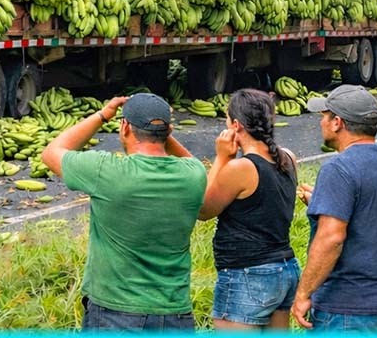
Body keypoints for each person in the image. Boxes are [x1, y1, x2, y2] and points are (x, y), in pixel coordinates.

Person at [41, 93, 207, 331]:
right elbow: (191, 162)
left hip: (115, 313)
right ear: (169, 131)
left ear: (125, 127)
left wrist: (102, 115)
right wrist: (163, 132)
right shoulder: (193, 174)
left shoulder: (106, 171)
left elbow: (53, 151)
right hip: (175, 314)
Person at [290, 84, 377, 331]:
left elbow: (332, 238)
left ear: (337, 122)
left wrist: (304, 293)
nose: (321, 122)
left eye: (324, 116)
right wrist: (323, 201)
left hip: (350, 308)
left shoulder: (338, 168)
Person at [198, 88, 299, 330]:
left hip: (247, 275)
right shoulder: (288, 158)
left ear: (236, 125)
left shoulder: (241, 168)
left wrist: (222, 158)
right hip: (284, 269)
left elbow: (203, 210)